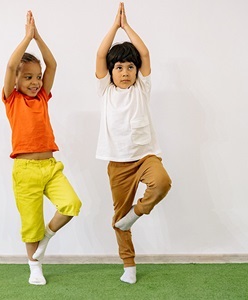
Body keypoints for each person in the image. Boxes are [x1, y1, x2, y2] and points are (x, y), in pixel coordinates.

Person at [2, 11, 82, 285]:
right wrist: (26, 38)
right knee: (31, 223)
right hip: (25, 170)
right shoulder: (11, 99)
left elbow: (52, 64)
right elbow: (12, 66)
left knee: (72, 204)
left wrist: (37, 36)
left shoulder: (43, 98)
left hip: (50, 167)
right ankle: (34, 266)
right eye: (28, 78)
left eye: (37, 77)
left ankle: (47, 237)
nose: (35, 82)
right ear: (16, 82)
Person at [95, 2, 172, 284]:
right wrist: (114, 27)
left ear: (137, 72)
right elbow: (101, 54)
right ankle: (129, 266)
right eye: (119, 67)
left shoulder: (142, 87)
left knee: (162, 183)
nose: (125, 72)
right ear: (110, 72)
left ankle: (137, 212)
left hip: (145, 157)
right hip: (118, 163)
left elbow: (145, 53)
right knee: (119, 218)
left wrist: (127, 27)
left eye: (130, 67)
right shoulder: (105, 90)